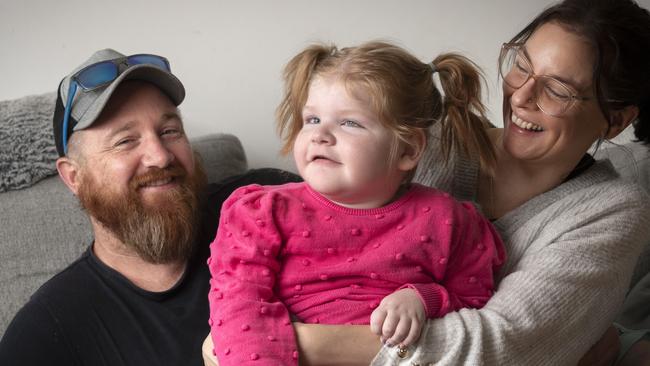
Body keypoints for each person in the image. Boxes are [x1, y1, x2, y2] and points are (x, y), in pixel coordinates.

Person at [265, 0, 650, 365]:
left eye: (558, 90)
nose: (521, 97)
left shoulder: (613, 211)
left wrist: (286, 341)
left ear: (615, 120)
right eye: (521, 66)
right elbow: (311, 247)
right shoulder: (429, 139)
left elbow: (503, 349)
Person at [207, 41, 506, 365]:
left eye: (349, 122)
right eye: (312, 119)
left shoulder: (447, 219)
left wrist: (423, 298)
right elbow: (241, 307)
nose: (320, 135)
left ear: (408, 149)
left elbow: (476, 301)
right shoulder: (261, 213)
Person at [0, 49, 299, 366]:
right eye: (125, 140)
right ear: (74, 177)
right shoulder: (49, 331)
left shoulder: (264, 202)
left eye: (170, 131)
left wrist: (317, 344)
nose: (160, 156)